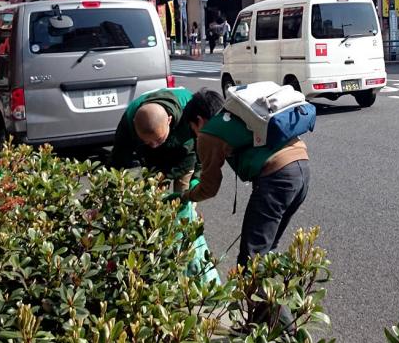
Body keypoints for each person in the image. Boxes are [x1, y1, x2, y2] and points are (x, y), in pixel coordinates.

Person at [180, 89, 310, 268]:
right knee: (267, 249)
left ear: (199, 120)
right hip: (302, 168)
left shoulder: (208, 133)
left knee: (251, 259)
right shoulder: (237, 116)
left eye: (193, 129)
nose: (195, 134)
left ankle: (256, 287)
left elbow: (209, 188)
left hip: (277, 177)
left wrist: (185, 196)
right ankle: (272, 286)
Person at [110, 87, 200, 192]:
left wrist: (198, 177)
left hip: (184, 154)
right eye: (147, 141)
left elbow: (204, 143)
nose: (154, 145)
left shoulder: (190, 108)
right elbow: (118, 158)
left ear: (169, 120)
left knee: (184, 195)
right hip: (153, 161)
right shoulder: (129, 119)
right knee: (154, 196)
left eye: (159, 139)